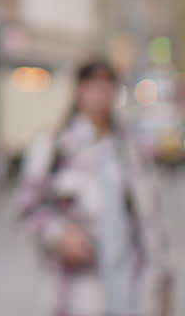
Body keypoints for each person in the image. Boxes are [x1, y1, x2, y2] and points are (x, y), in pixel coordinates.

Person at [15, 59, 173, 316]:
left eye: (107, 84)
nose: (101, 92)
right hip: (79, 293)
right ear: (79, 90)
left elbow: (152, 224)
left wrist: (163, 287)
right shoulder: (55, 146)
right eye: (93, 84)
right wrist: (60, 235)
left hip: (133, 288)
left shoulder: (131, 147)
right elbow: (26, 210)